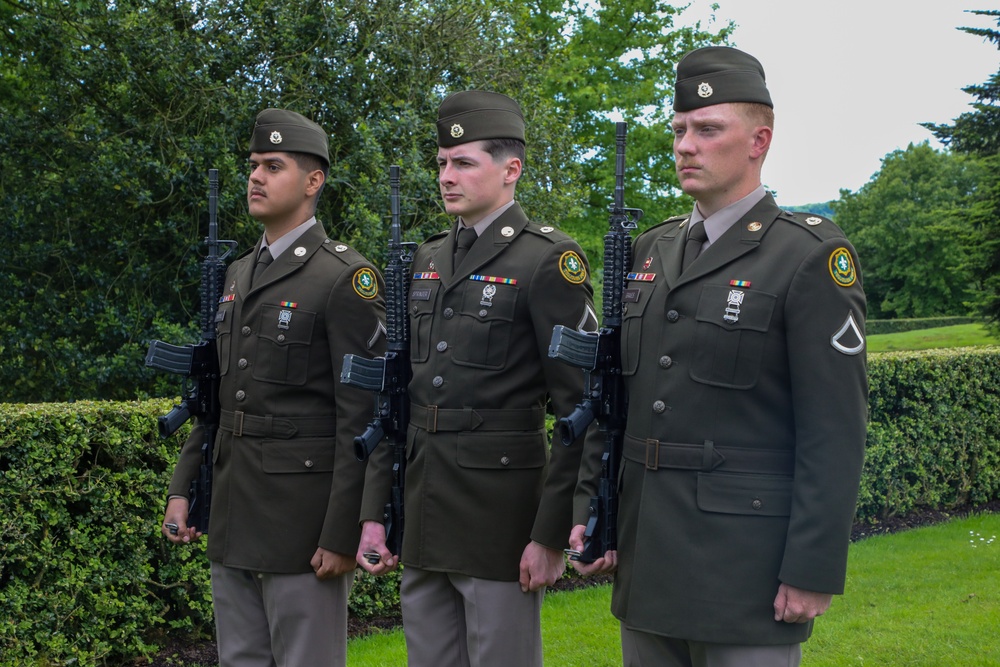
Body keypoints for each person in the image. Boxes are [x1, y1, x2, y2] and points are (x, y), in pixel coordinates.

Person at [569, 46, 868, 667]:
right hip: (649, 562)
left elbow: (834, 430)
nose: (686, 145)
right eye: (679, 129)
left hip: (745, 572)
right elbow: (613, 400)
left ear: (759, 140)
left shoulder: (807, 256)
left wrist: (813, 566)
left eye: (708, 130)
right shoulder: (650, 250)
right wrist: (590, 509)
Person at [356, 90, 599, 667]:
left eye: (463, 162)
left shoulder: (548, 261)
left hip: (501, 518)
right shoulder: (427, 260)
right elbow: (398, 399)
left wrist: (549, 533)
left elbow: (581, 410)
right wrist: (375, 513)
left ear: (511, 170)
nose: (446, 176)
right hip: (423, 509)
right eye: (441, 162)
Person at [161, 108, 386, 667]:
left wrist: (341, 532)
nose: (256, 177)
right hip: (233, 511)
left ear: (314, 182)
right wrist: (183, 486)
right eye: (254, 165)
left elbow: (362, 419)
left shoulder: (344, 279)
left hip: (300, 524)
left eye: (274, 166)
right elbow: (214, 394)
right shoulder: (238, 273)